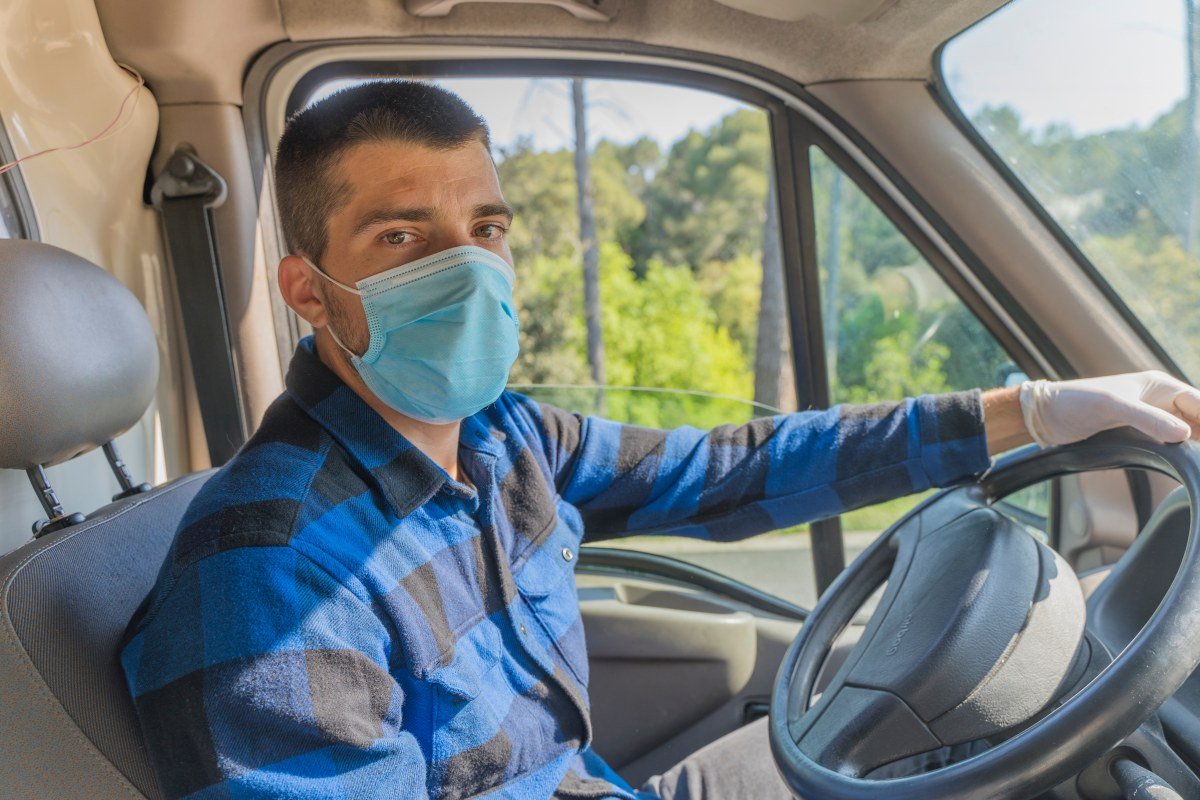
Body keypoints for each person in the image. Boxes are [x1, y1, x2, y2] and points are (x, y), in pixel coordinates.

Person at [120, 80, 1200, 800]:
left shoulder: (503, 438)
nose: (468, 266)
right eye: (403, 237)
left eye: (486, 228)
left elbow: (735, 471)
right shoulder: (266, 574)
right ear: (309, 288)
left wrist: (1031, 412)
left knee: (972, 740)